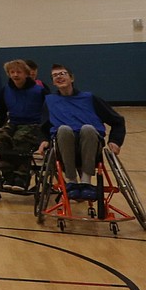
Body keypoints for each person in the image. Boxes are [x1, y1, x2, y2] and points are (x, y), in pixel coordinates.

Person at [37, 65, 126, 201]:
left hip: (91, 145)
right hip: (63, 145)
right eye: (55, 76)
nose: (59, 77)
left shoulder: (89, 98)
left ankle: (86, 182)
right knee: (64, 129)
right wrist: (43, 140)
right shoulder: (50, 101)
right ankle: (71, 181)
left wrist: (115, 141)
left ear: (71, 78)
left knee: (88, 128)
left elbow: (117, 121)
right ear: (53, 82)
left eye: (62, 73)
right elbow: (43, 126)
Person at [0, 59, 47, 188]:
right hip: (15, 122)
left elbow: (49, 111)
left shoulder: (39, 91)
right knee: (1, 138)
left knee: (20, 139)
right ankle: (8, 177)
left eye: (19, 72)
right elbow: (1, 111)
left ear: (26, 74)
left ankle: (22, 177)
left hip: (34, 124)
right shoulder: (5, 90)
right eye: (12, 72)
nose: (15, 75)